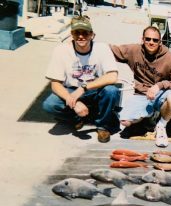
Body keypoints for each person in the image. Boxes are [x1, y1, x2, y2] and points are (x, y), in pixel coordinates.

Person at [42, 15, 121, 143]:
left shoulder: (102, 48)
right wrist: (72, 100)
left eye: (85, 33)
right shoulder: (61, 50)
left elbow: (113, 76)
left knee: (112, 91)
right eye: (77, 32)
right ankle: (77, 118)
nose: (81, 36)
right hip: (71, 90)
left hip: (94, 89)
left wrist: (83, 88)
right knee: (50, 104)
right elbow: (55, 84)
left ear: (92, 35)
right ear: (71, 34)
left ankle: (102, 125)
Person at [110, 25, 171, 147]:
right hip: (142, 94)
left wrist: (159, 85)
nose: (151, 42)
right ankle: (150, 115)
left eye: (155, 40)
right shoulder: (134, 50)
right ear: (142, 39)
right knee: (125, 122)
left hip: (162, 94)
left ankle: (161, 124)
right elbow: (112, 50)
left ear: (160, 42)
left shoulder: (170, 58)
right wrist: (89, 45)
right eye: (148, 39)